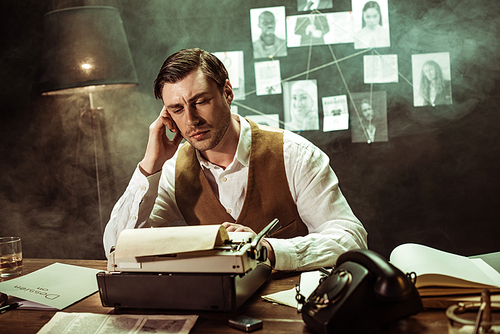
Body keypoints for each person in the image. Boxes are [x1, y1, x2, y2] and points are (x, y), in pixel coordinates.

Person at [103, 48, 367, 272]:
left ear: (227, 92)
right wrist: (151, 164)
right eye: (177, 109)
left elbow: (350, 238)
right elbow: (116, 247)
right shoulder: (173, 171)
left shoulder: (294, 154)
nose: (191, 120)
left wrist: (268, 249)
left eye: (200, 101)